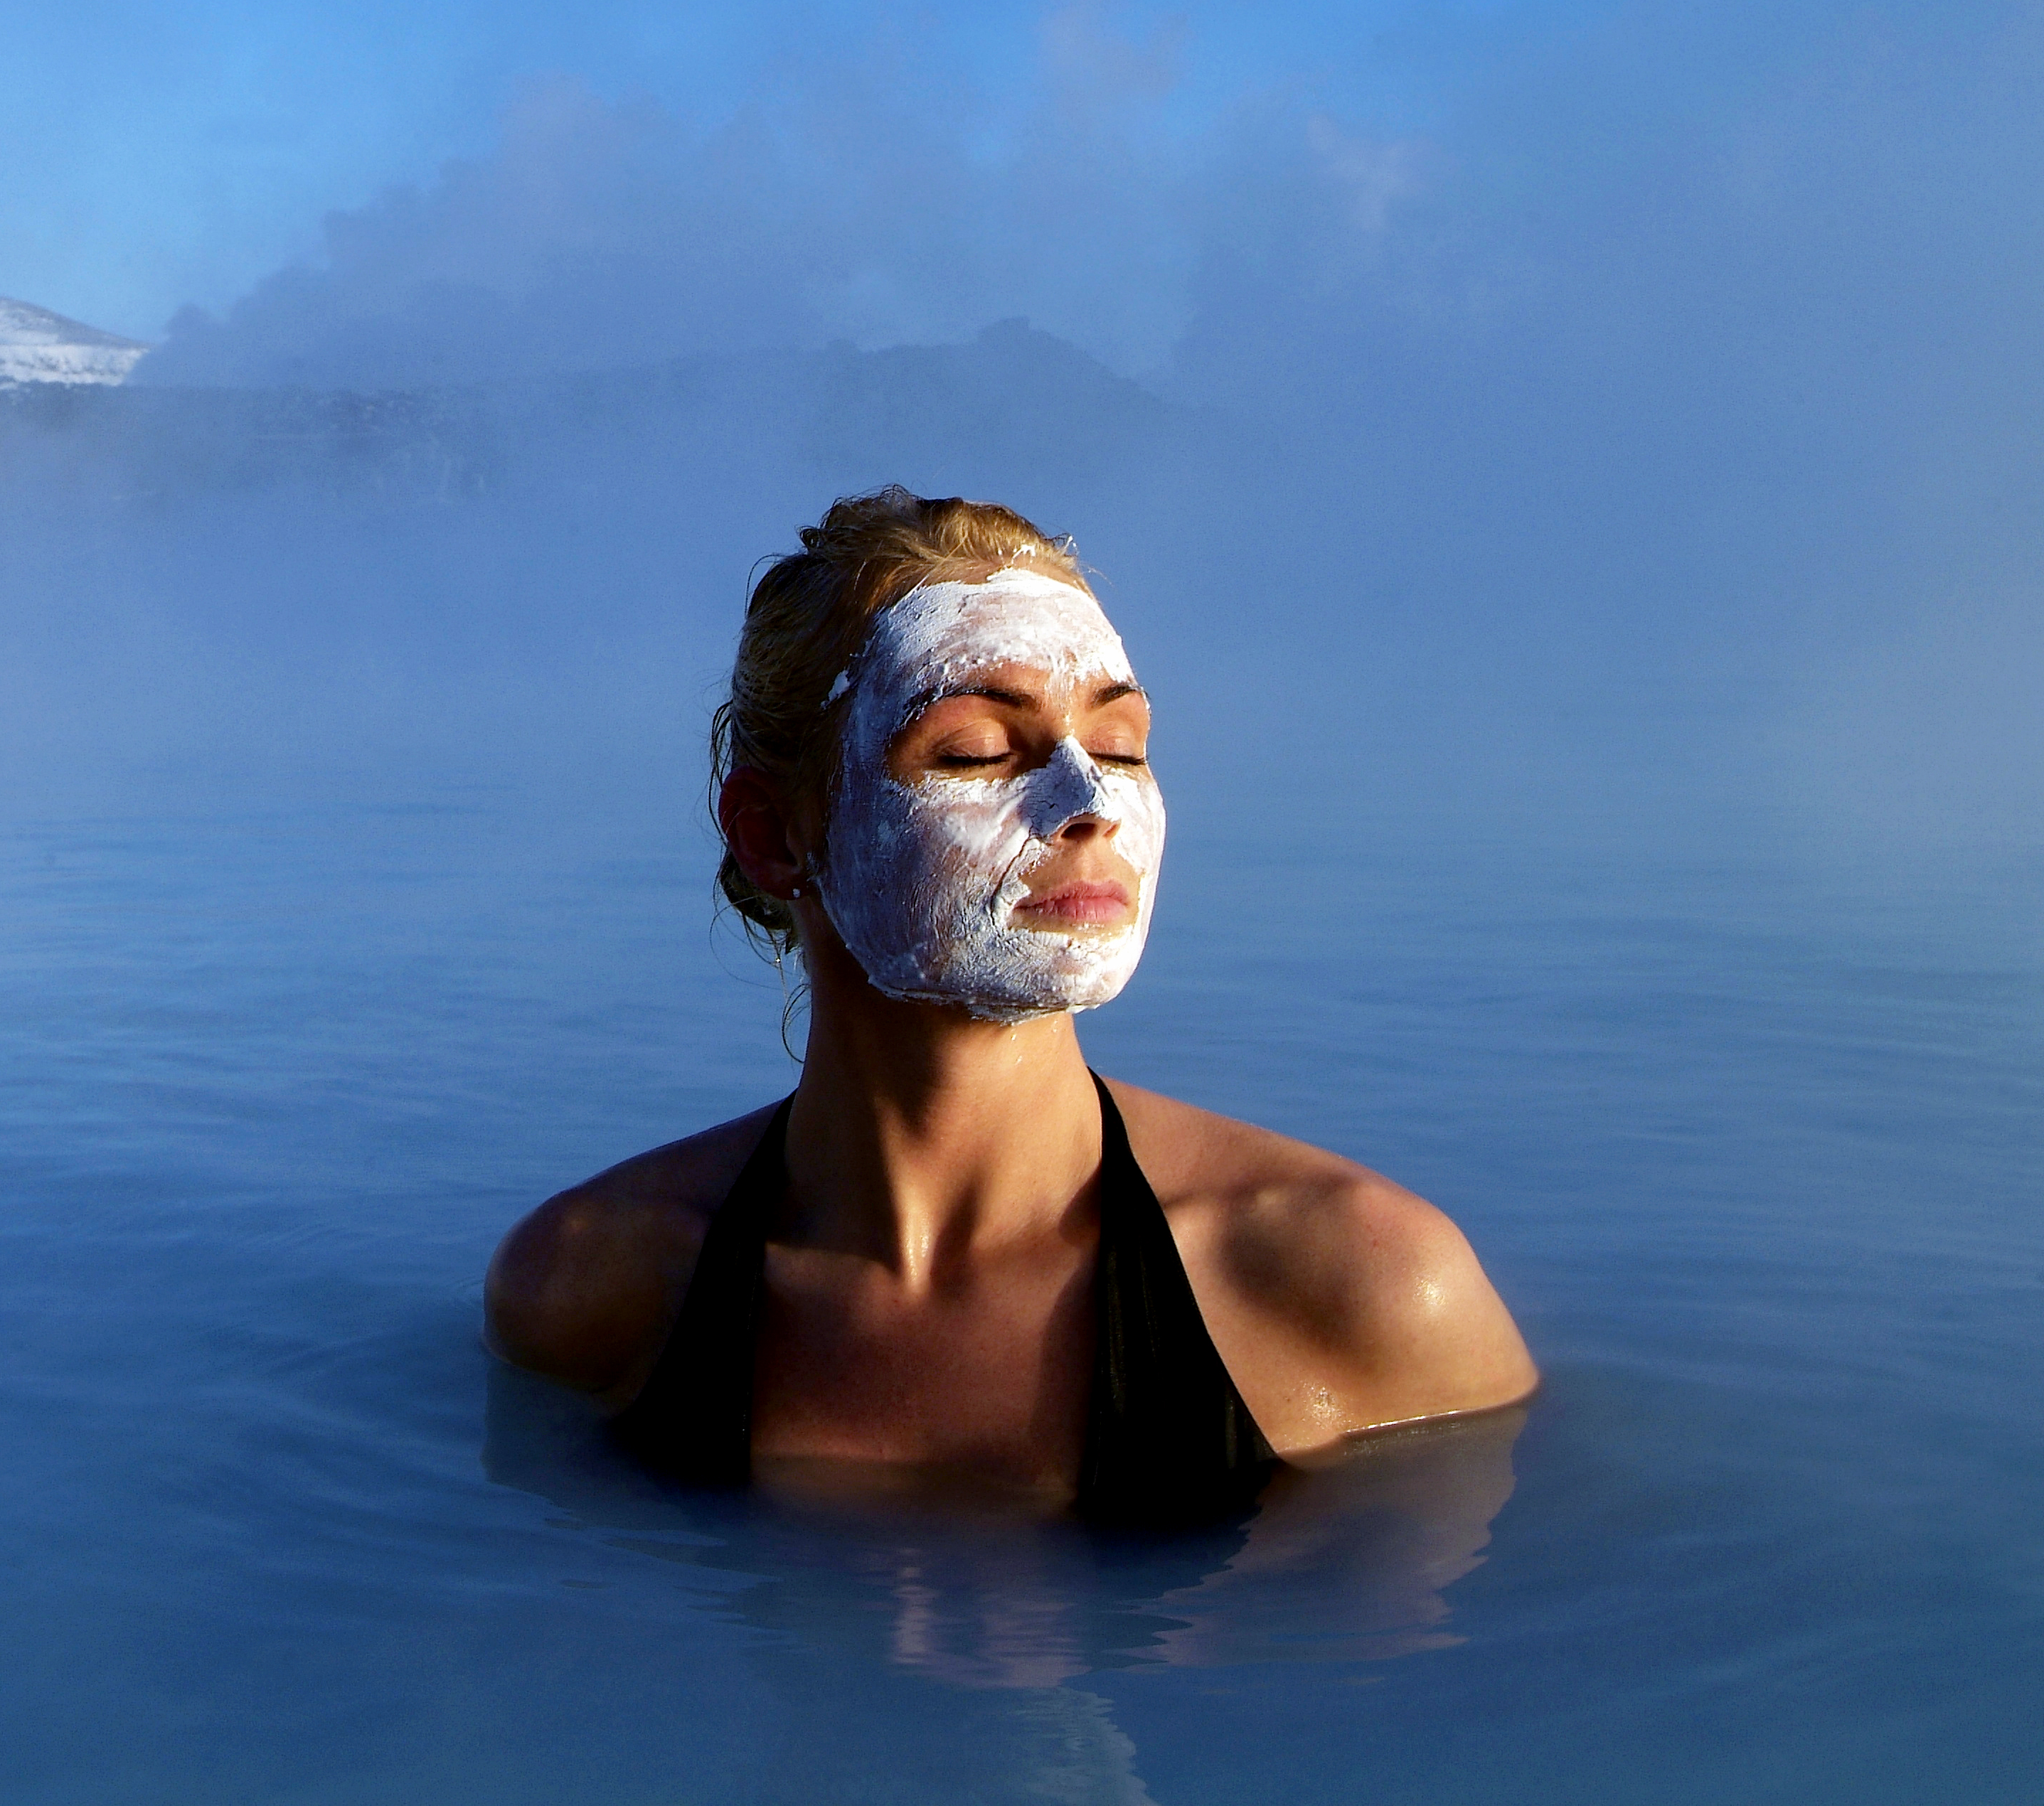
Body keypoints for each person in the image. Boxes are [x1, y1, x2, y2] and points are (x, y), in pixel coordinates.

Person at [484, 488, 1536, 1524]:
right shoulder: (592, 1286)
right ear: (771, 835)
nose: (1092, 807)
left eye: (1122, 748)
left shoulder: (1359, 1288)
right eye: (979, 753)